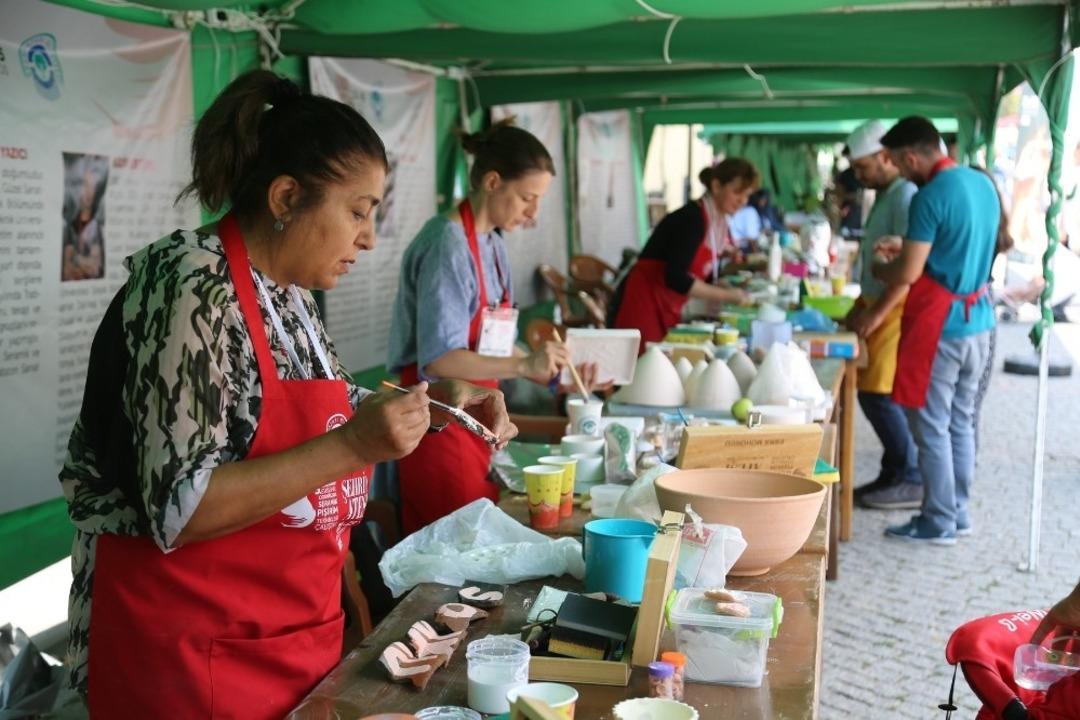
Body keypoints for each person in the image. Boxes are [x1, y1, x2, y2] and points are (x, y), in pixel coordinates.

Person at [59, 70, 516, 718]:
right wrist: (355, 445)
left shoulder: (290, 298)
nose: (369, 237)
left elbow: (314, 413)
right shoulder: (190, 286)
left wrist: (432, 403)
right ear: (285, 198)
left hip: (286, 641)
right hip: (189, 660)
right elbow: (178, 508)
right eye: (358, 211)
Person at [387, 118, 573, 533]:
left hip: (481, 414)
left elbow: (493, 343)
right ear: (492, 182)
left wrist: (543, 364)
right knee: (449, 549)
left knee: (478, 535)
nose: (533, 213)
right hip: (439, 417)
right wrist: (522, 366)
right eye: (527, 198)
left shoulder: (492, 241)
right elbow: (441, 362)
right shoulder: (446, 245)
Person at [873, 116, 998, 545]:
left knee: (929, 425)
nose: (900, 173)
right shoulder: (982, 183)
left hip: (940, 326)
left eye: (897, 163)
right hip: (978, 319)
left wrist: (881, 266)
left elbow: (908, 272)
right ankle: (958, 512)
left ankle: (938, 519)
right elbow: (959, 246)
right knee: (961, 420)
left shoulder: (928, 197)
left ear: (911, 156)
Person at [840, 120, 922, 510]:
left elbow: (907, 267)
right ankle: (893, 472)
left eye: (863, 168)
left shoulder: (905, 195)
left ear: (885, 157)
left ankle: (910, 476)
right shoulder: (887, 194)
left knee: (880, 395)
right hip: (877, 305)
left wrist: (875, 315)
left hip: (895, 308)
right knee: (872, 392)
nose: (859, 177)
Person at [610, 158, 755, 350]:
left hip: (666, 305)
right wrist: (727, 295)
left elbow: (700, 272)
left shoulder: (716, 221)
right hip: (643, 301)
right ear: (716, 186)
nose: (742, 201)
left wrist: (721, 285)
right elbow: (676, 277)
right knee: (642, 369)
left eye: (746, 195)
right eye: (737, 193)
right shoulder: (692, 219)